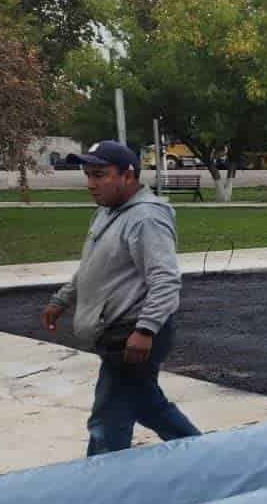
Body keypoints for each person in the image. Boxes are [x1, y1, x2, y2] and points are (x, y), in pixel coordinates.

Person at [40, 140, 202, 456]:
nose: (91, 184)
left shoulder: (146, 219)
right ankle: (206, 456)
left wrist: (145, 331)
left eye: (100, 175)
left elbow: (166, 280)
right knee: (146, 404)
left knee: (108, 416)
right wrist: (61, 300)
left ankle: (100, 488)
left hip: (132, 333)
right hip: (116, 330)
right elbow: (92, 267)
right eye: (87, 175)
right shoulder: (106, 213)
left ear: (128, 176)